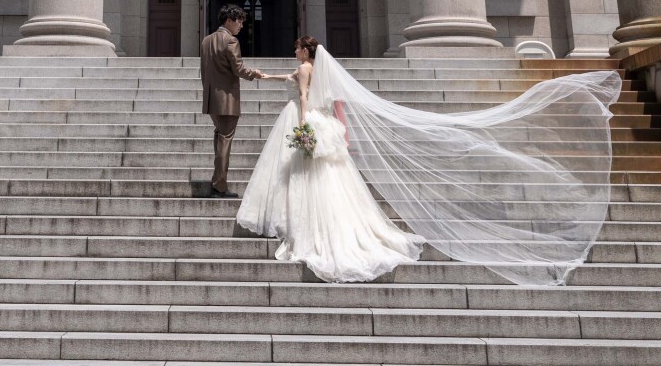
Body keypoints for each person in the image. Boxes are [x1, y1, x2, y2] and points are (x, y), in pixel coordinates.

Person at [237, 36, 621, 287]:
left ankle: (306, 226)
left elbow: (304, 95)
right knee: (328, 179)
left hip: (309, 120)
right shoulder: (315, 70)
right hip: (324, 124)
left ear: (306, 52)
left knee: (310, 176)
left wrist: (304, 124)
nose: (294, 52)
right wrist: (262, 75)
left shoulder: (307, 70)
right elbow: (299, 82)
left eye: (297, 48)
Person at [200, 3, 262, 198]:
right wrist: (254, 74)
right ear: (229, 20)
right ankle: (219, 186)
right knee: (225, 141)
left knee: (220, 138)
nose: (241, 26)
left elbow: (204, 71)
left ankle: (217, 181)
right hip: (227, 100)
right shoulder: (231, 41)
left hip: (211, 98)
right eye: (239, 21)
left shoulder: (206, 40)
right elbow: (239, 69)